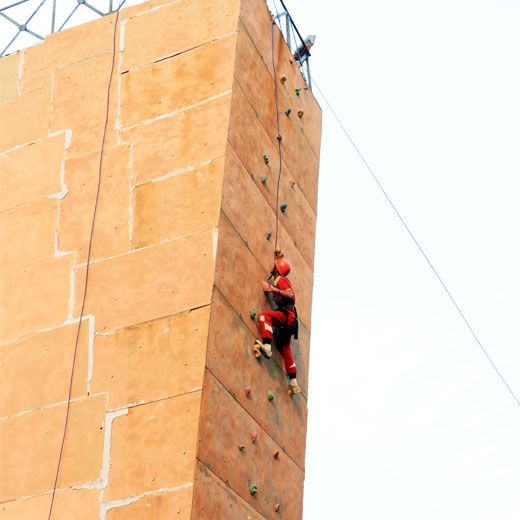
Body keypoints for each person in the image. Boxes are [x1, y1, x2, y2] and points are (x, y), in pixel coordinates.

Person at [256, 252, 300, 395]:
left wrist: (272, 289)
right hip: (290, 319)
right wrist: (278, 256)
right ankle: (294, 383)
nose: (272, 268)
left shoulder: (280, 280)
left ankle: (267, 346)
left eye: (274, 267)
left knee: (264, 316)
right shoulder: (279, 279)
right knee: (284, 346)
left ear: (277, 270)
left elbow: (290, 295)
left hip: (286, 315)